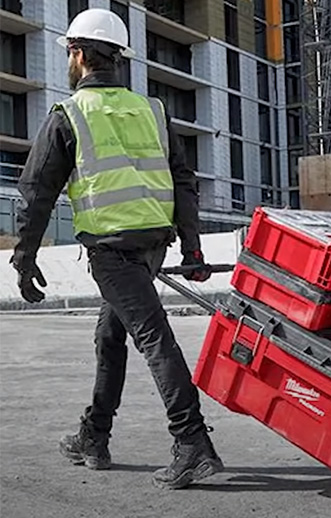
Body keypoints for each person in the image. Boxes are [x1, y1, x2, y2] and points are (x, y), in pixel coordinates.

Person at [9, 8, 223, 489]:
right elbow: (183, 182)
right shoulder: (152, 110)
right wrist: (190, 248)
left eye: (69, 52)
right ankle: (94, 435)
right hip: (152, 246)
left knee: (153, 338)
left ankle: (192, 443)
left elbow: (36, 192)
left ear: (79, 55)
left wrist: (24, 261)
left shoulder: (69, 114)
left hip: (113, 251)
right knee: (111, 336)